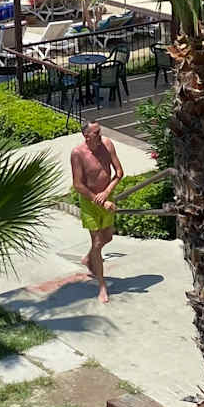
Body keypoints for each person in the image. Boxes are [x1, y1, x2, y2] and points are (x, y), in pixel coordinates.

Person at [69, 122, 124, 304]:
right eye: (97, 132)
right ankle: (102, 286)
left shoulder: (107, 144)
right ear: (87, 136)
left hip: (107, 197)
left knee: (108, 237)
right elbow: (78, 185)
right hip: (90, 202)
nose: (101, 135)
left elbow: (119, 173)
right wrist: (98, 199)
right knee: (98, 242)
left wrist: (107, 193)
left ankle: (89, 257)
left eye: (100, 131)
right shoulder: (78, 153)